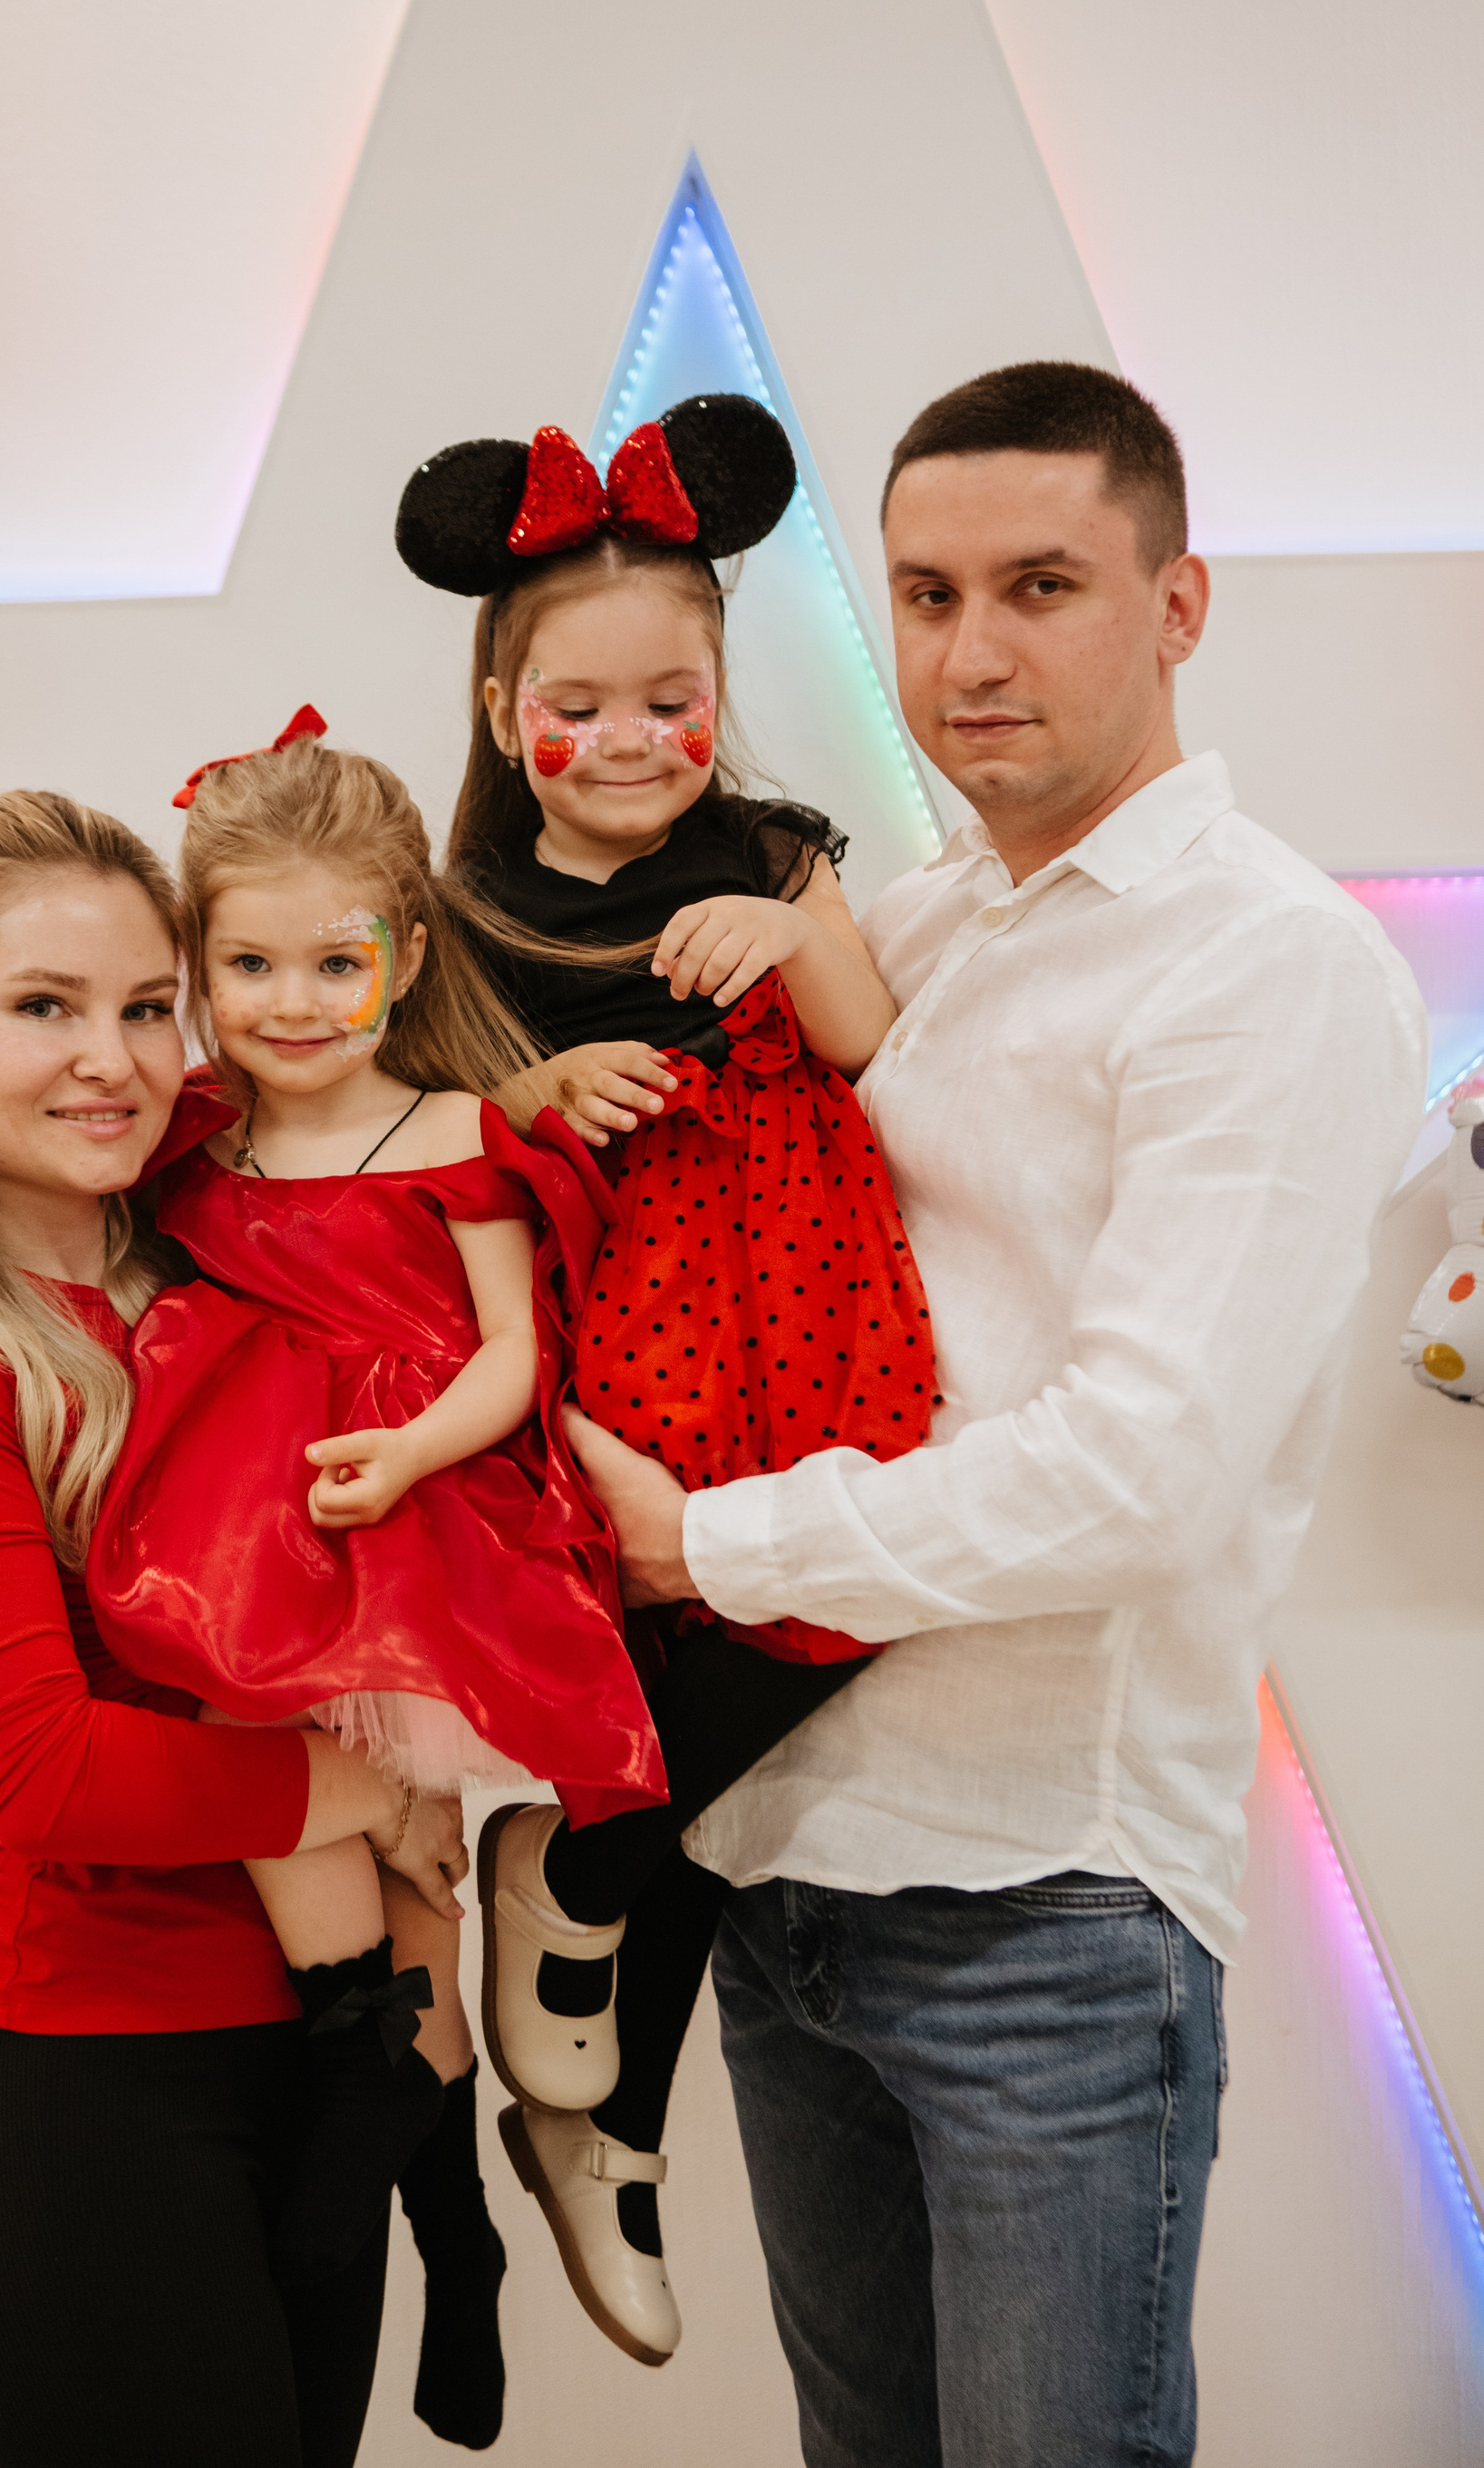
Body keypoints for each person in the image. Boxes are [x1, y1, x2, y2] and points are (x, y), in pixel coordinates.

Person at [564, 361, 1430, 2468]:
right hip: (780, 1862)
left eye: (1042, 586)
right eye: (927, 594)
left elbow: (1137, 1475)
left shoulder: (1266, 966)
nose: (970, 654)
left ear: (1178, 603)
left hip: (1042, 1901)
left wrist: (700, 1544)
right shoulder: (904, 922)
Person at [0, 792, 468, 2468]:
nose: (109, 1060)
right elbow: (41, 1770)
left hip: (324, 2059)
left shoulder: (233, 1261)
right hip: (95, 2098)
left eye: (144, 1006)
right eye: (42, 1006)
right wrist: (374, 1793)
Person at [393, 394, 936, 2366]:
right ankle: (607, 2119)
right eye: (578, 708)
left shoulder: (781, 855)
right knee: (673, 1646)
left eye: (671, 702)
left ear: (722, 694)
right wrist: (537, 1086)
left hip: (808, 1311)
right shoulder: (470, 915)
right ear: (502, 708)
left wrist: (789, 933)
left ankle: (581, 1876)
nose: (628, 743)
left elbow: (874, 1048)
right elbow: (420, 1130)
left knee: (849, 1589)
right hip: (621, 1323)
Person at [83, 718, 664, 2446]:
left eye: (335, 963)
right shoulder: (189, 1149)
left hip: (417, 1544)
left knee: (419, 1866)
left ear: (403, 953)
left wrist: (409, 1456)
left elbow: (510, 1356)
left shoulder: (460, 1133)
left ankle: (442, 2217)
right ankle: (417, 2165)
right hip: (249, 1547)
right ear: (197, 970)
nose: (293, 1003)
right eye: (249, 966)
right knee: (278, 1774)